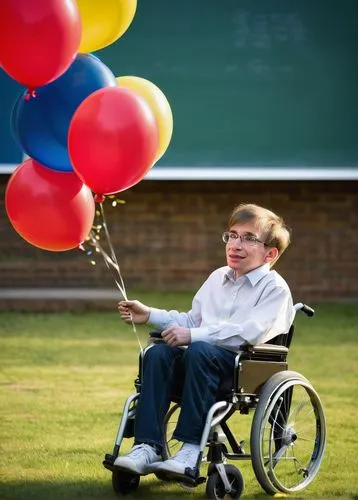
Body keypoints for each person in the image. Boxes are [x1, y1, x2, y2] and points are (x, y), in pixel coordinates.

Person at [114, 203, 295, 479]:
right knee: (157, 354)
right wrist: (149, 314)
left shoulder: (275, 289)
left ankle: (188, 451)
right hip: (199, 363)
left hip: (239, 369)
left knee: (199, 350)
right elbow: (191, 321)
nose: (235, 244)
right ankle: (146, 447)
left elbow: (251, 332)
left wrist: (195, 336)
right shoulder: (217, 278)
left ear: (270, 253)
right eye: (232, 235)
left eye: (248, 238)